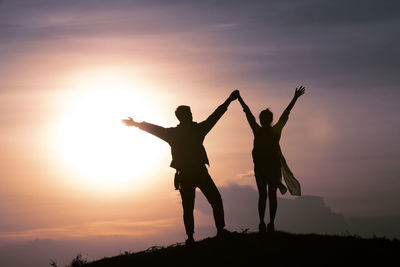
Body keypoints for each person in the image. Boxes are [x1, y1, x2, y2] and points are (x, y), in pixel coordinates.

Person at [122, 90, 239, 244]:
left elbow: (156, 129)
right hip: (196, 172)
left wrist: (137, 124)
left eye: (189, 113)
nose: (190, 115)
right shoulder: (197, 130)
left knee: (192, 205)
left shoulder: (176, 133)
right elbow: (215, 116)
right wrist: (229, 100)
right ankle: (215, 232)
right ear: (185, 116)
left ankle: (194, 237)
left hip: (187, 173)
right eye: (188, 113)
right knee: (210, 201)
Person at [237, 86, 305, 233]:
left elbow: (248, 114)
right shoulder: (274, 131)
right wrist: (295, 98)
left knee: (263, 195)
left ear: (262, 120)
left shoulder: (259, 130)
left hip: (264, 168)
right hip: (270, 167)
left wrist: (240, 99)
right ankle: (269, 224)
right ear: (269, 119)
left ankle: (264, 223)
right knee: (270, 196)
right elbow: (285, 115)